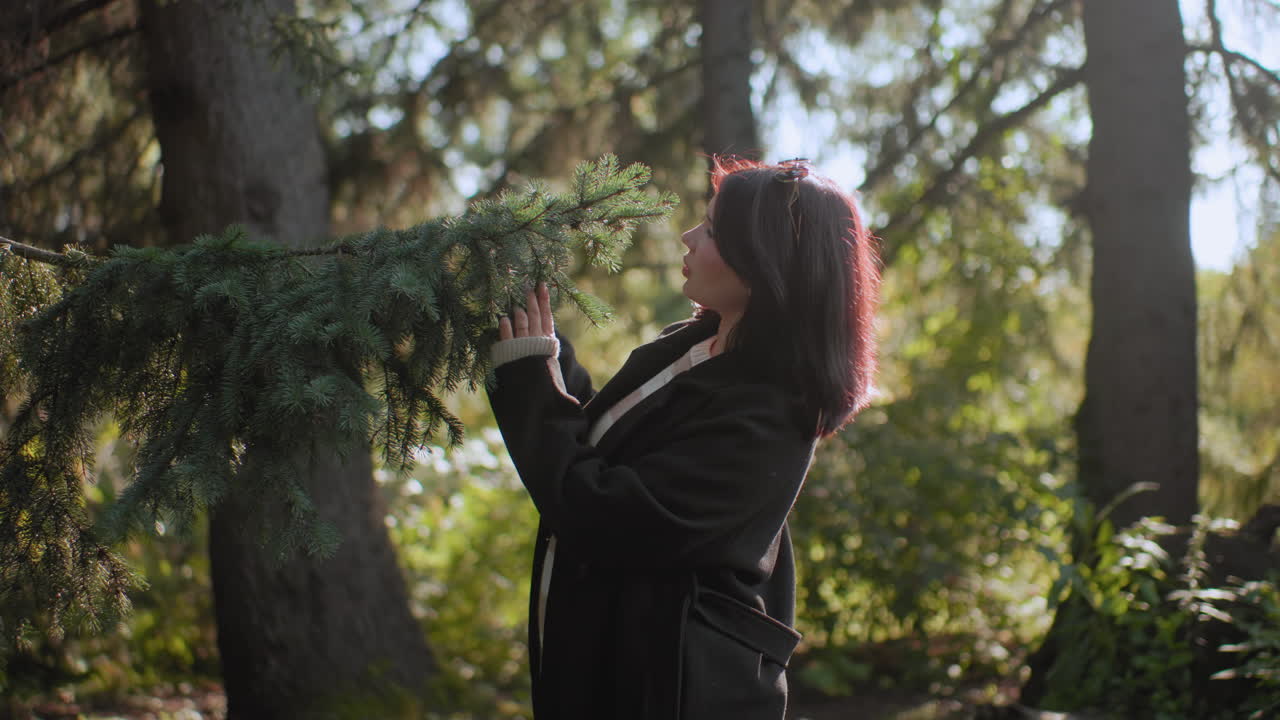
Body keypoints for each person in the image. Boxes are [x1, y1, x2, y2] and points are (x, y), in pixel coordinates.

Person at [486, 157, 880, 719]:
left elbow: (607, 513)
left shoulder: (770, 412)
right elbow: (605, 446)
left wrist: (529, 380)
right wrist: (543, 349)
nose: (689, 237)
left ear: (764, 261)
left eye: (714, 230)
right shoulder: (695, 346)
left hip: (674, 691)